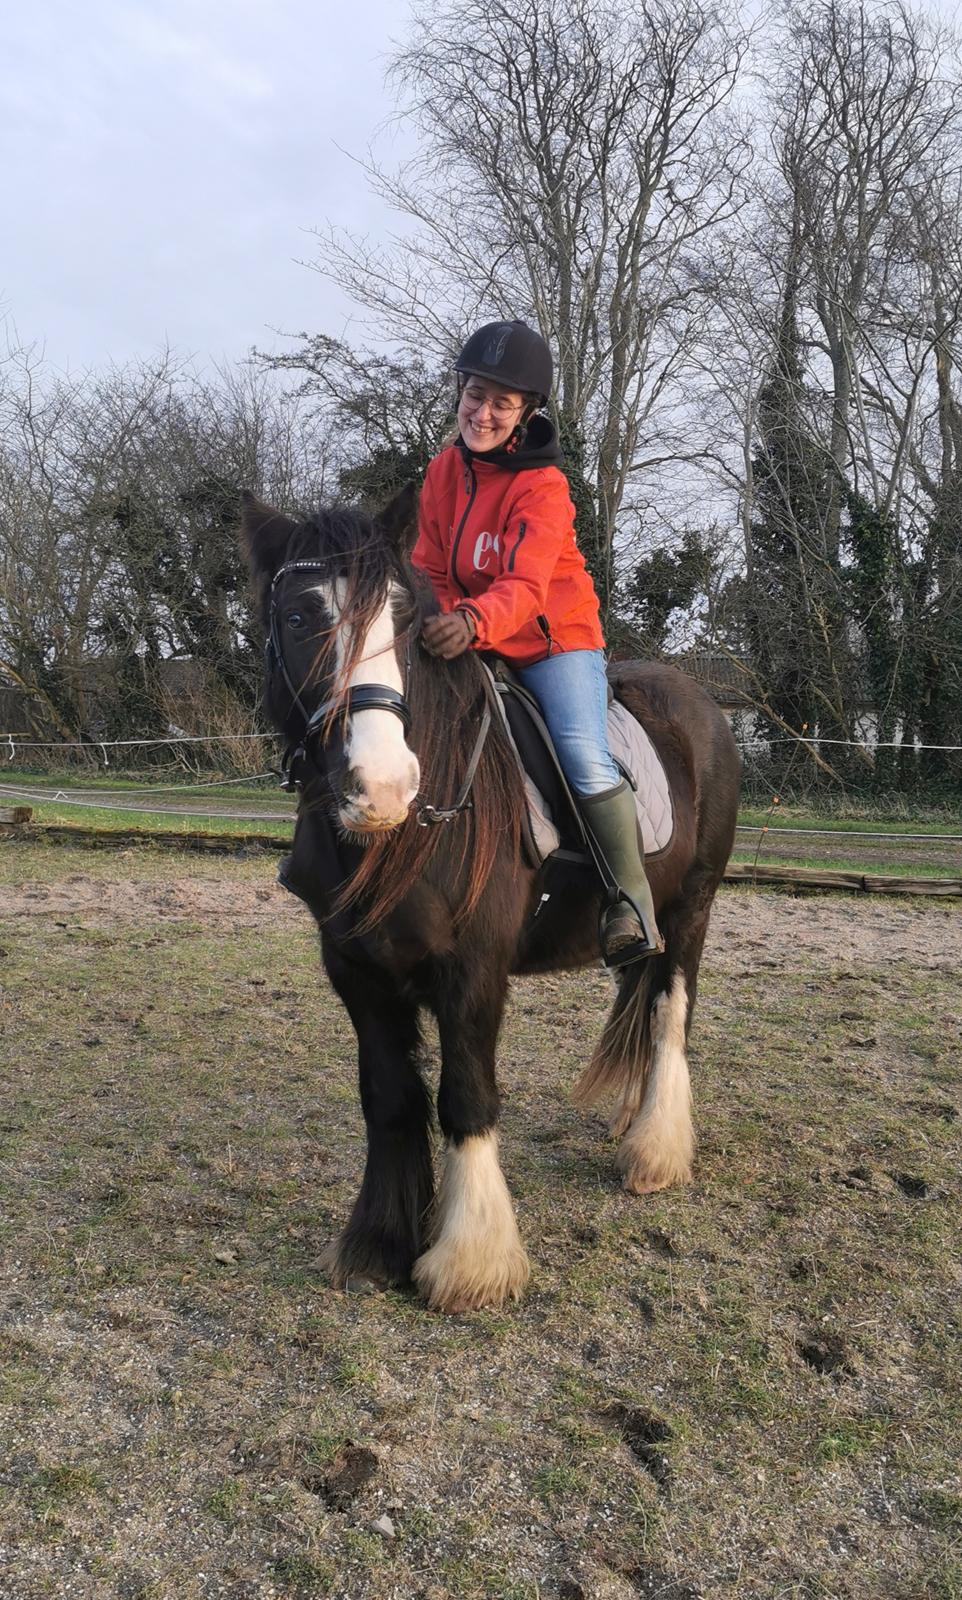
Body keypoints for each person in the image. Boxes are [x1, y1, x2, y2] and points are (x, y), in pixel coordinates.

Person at [414, 318, 663, 966]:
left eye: (502, 403)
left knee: (582, 753)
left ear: (524, 414)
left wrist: (470, 622)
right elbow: (431, 565)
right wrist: (447, 619)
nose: (483, 413)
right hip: (474, 635)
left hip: (555, 643)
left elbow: (526, 585)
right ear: (460, 392)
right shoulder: (442, 472)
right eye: (476, 395)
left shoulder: (542, 485)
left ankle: (630, 906)